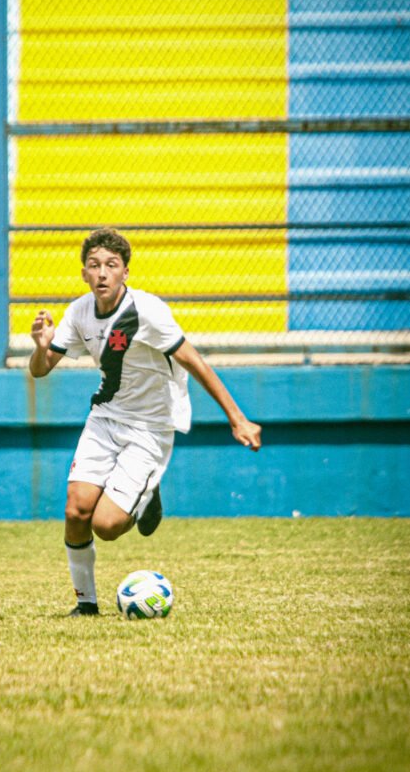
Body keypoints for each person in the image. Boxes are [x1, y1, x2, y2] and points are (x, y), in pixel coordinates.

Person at [29, 227, 262, 616]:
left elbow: (194, 361)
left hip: (149, 428)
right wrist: (39, 348)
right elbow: (40, 370)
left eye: (111, 265)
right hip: (105, 418)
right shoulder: (78, 313)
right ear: (83, 274)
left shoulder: (147, 312)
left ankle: (148, 497)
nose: (102, 273)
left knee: (105, 525)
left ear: (125, 272)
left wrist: (237, 419)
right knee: (75, 510)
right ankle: (86, 604)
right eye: (93, 265)